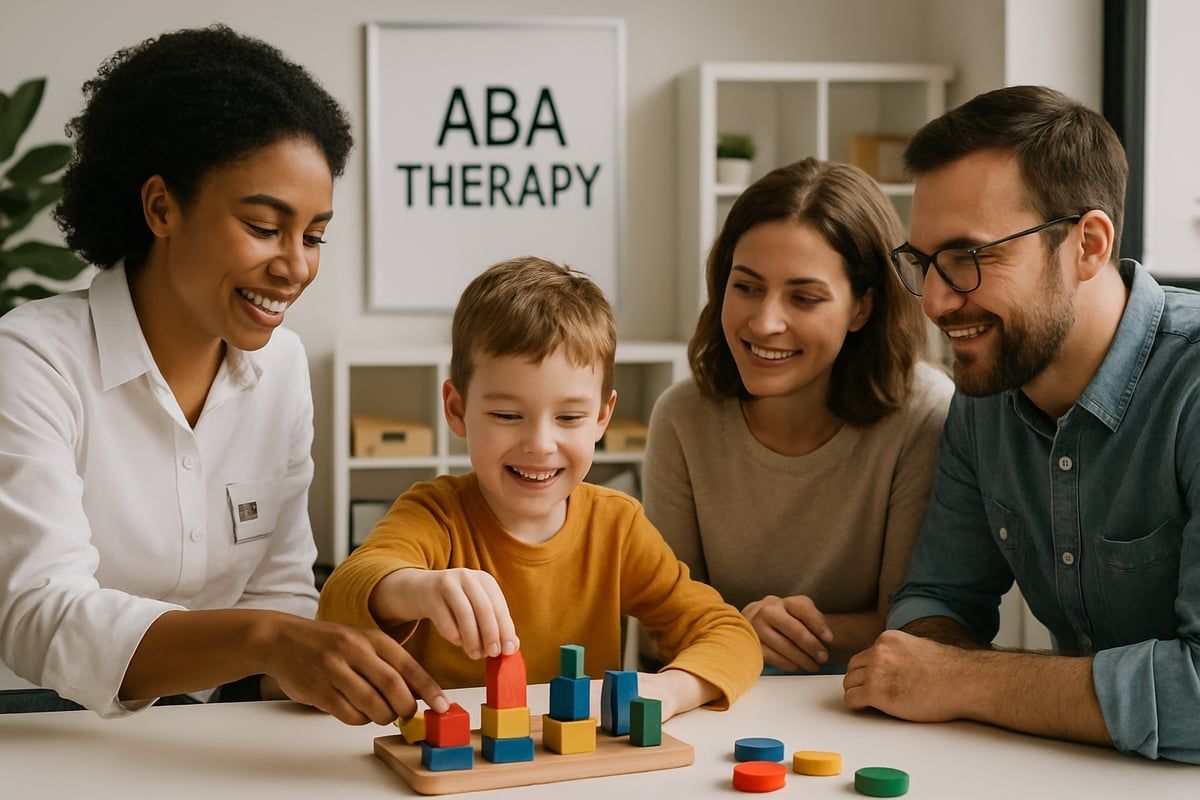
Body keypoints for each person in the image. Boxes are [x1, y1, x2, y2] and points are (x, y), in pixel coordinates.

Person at [0, 25, 446, 723]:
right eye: (266, 227)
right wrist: (268, 641)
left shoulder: (282, 367)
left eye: (315, 235)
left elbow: (281, 596)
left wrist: (339, 664)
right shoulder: (31, 359)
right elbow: (41, 614)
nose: (296, 266)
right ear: (161, 207)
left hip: (211, 729)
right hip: (38, 729)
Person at [843, 85, 1200, 764]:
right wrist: (931, 661)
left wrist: (960, 678)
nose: (939, 302)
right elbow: (936, 600)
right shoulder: (983, 398)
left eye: (971, 257)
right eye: (923, 263)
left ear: (1088, 244)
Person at [318, 257, 761, 719]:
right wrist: (416, 589)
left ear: (602, 418)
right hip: (460, 773)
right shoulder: (435, 514)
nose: (539, 445)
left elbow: (729, 632)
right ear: (456, 409)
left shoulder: (617, 525)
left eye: (569, 417)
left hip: (573, 770)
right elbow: (338, 602)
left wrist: (671, 690)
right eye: (508, 416)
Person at [643, 159, 953, 673]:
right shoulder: (682, 416)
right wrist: (742, 629)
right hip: (719, 703)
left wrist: (746, 629)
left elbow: (909, 626)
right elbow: (662, 624)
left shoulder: (923, 415)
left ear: (862, 308)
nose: (765, 323)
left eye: (804, 298)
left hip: (868, 709)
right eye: (745, 287)